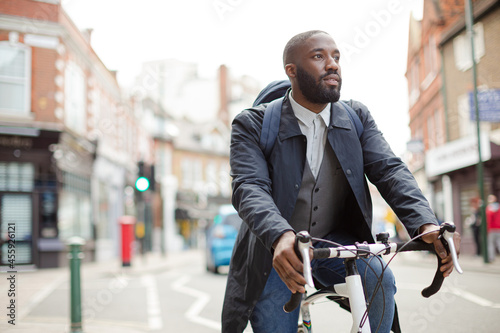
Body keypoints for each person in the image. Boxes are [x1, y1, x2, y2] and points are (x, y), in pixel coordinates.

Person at [222, 30, 461, 333]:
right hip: (272, 250)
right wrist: (280, 235)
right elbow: (249, 186)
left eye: (336, 56)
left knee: (379, 279)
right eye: (319, 56)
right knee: (273, 320)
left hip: (334, 239)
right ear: (291, 71)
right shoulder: (252, 124)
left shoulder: (356, 117)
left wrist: (425, 223)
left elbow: (389, 170)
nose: (333, 64)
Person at [486, 194, 500, 262]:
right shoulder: (499, 207)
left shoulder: (489, 208)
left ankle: (491, 258)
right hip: (499, 228)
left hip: (492, 228)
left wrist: (487, 229)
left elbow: (488, 219)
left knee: (491, 244)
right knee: (499, 243)